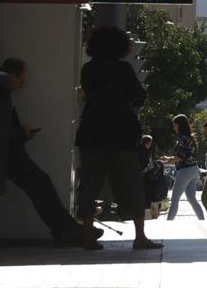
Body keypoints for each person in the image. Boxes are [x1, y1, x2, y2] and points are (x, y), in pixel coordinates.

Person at [74, 26, 162, 250]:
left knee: (89, 186)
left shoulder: (88, 69)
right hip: (120, 135)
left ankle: (86, 237)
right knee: (133, 184)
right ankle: (140, 237)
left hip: (92, 134)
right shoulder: (123, 69)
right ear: (120, 46)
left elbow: (87, 94)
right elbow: (139, 96)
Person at [0, 58, 92, 246]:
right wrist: (20, 133)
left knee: (40, 183)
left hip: (9, 152)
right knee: (40, 183)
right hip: (8, 154)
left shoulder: (1, 95)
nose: (22, 85)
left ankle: (66, 228)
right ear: (11, 76)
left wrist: (21, 134)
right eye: (21, 81)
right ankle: (66, 229)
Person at [161, 114, 204, 221]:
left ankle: (168, 222)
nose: (174, 127)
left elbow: (180, 157)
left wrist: (166, 161)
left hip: (185, 171)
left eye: (175, 125)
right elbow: (185, 155)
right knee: (192, 199)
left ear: (179, 125)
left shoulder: (182, 139)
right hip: (194, 170)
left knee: (175, 199)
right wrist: (168, 158)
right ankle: (202, 220)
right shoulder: (190, 138)